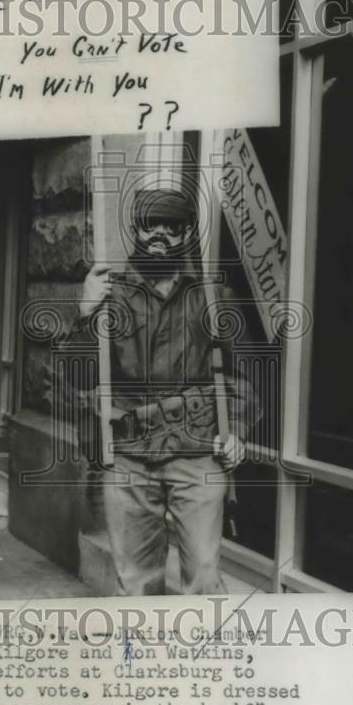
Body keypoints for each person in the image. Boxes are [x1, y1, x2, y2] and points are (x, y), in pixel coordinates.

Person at [72, 188, 257, 596]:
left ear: (187, 231)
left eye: (171, 226)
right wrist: (85, 313)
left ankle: (205, 659)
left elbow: (245, 376)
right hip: (129, 455)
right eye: (149, 224)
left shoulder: (212, 296)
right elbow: (80, 377)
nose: (159, 234)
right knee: (136, 582)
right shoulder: (109, 294)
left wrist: (237, 431)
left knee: (204, 579)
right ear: (135, 229)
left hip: (196, 453)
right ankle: (144, 659)